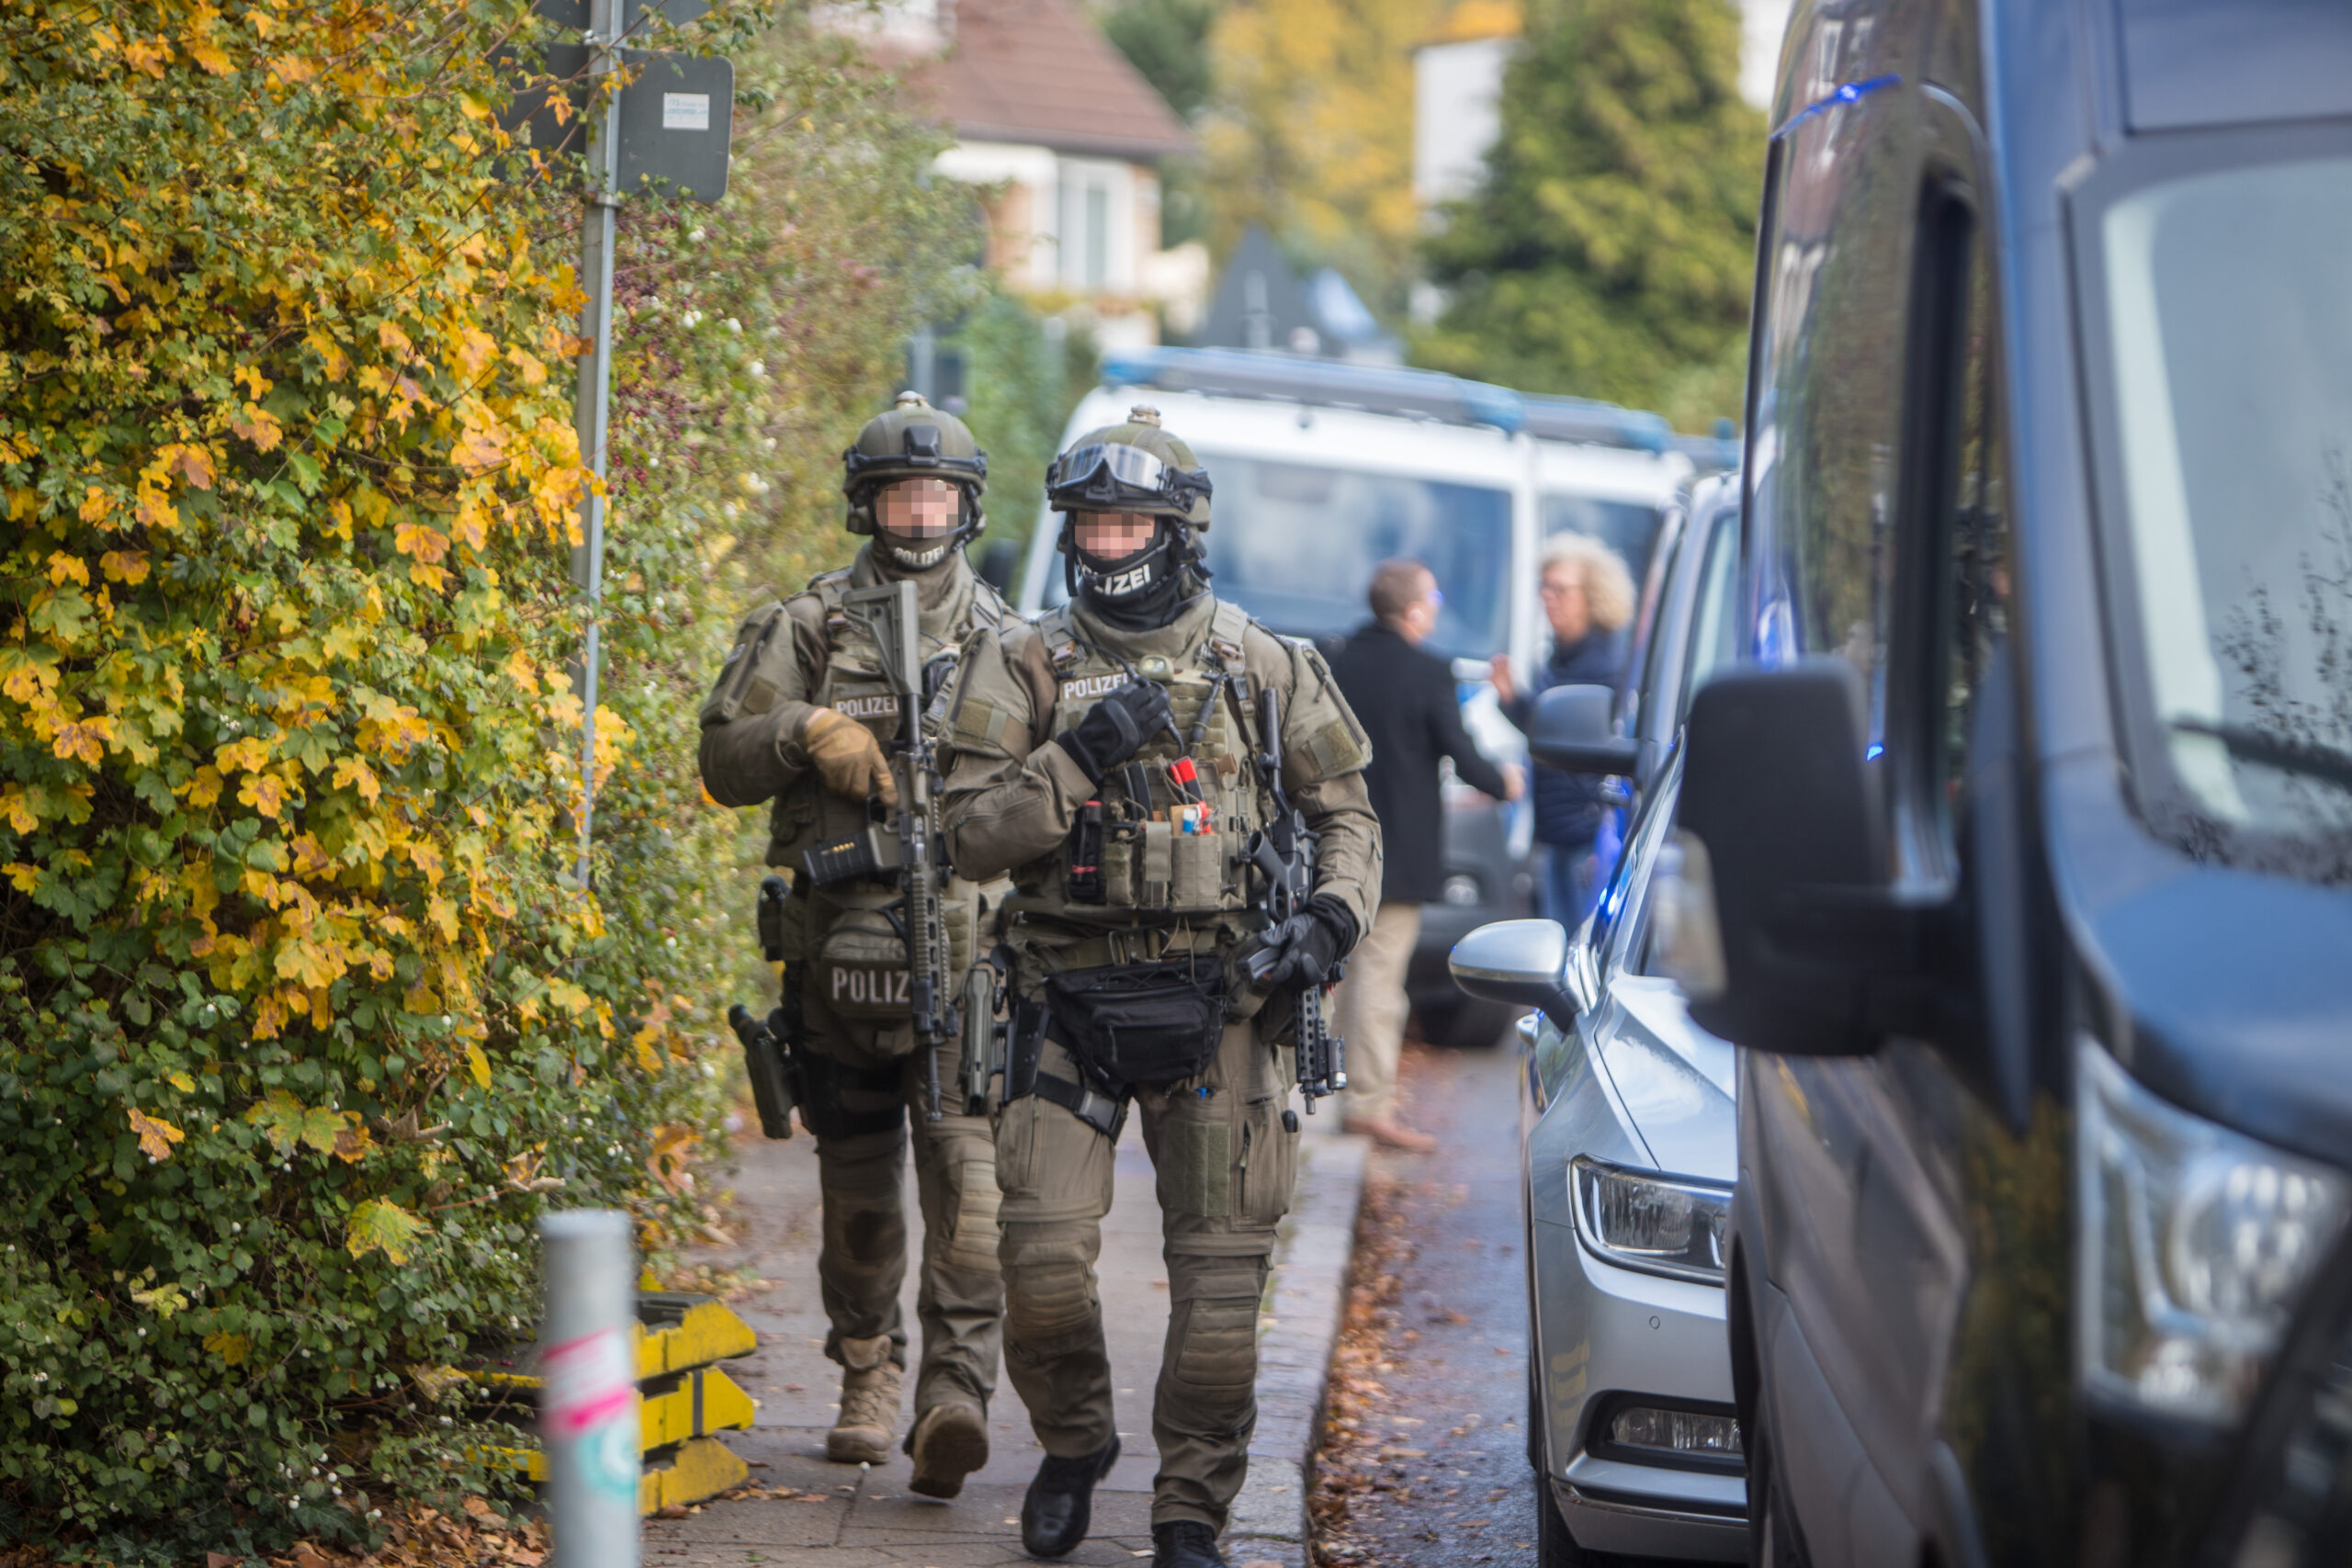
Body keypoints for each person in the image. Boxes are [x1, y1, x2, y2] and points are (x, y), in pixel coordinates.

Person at [937, 407, 1381, 1568]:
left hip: (1224, 1011)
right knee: (1030, 1262)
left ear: (1179, 529)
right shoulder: (1020, 661)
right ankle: (1075, 1442)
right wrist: (1076, 757)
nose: (1105, 540)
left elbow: (1349, 821)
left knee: (1223, 1291)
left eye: (1128, 518)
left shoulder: (1264, 664)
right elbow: (969, 838)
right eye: (1088, 521)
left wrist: (1330, 922)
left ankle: (1191, 1509)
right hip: (1061, 1004)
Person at [697, 391, 1011, 1500]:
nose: (917, 513)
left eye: (935, 494)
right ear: (865, 503)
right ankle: (867, 1370)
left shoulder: (1014, 644)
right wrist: (802, 729)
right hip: (836, 960)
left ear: (966, 507)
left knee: (972, 1199)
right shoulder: (808, 625)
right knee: (863, 1199)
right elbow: (723, 763)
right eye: (897, 493)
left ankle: (955, 1396)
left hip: (972, 967)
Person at [1323, 559, 1521, 1150]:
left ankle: (1306, 1087)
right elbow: (1459, 751)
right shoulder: (1428, 671)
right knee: (1379, 981)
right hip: (1396, 854)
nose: (1435, 604)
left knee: (1326, 969)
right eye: (1432, 595)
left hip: (1330, 842)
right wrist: (1503, 782)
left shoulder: (1334, 659)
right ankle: (1365, 1103)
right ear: (1414, 609)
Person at [1490, 533, 1636, 926]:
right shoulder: (1555, 657)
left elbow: (1598, 744)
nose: (1548, 598)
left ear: (1593, 594)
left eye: (1561, 589)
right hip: (1554, 828)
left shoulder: (1608, 663)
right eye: (1545, 587)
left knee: (1578, 941)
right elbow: (1551, 733)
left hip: (1587, 831)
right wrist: (1513, 702)